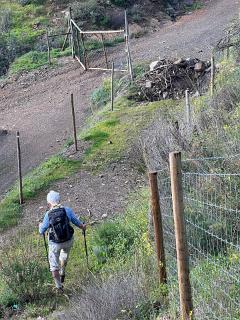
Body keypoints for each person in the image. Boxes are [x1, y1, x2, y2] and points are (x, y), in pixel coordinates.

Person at [39, 190, 86, 291]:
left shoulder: (48, 214)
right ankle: (63, 271)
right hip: (68, 240)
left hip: (54, 243)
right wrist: (83, 227)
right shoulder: (67, 210)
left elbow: (41, 230)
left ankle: (59, 286)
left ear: (48, 203)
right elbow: (76, 222)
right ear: (59, 200)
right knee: (64, 255)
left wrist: (40, 226)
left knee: (53, 266)